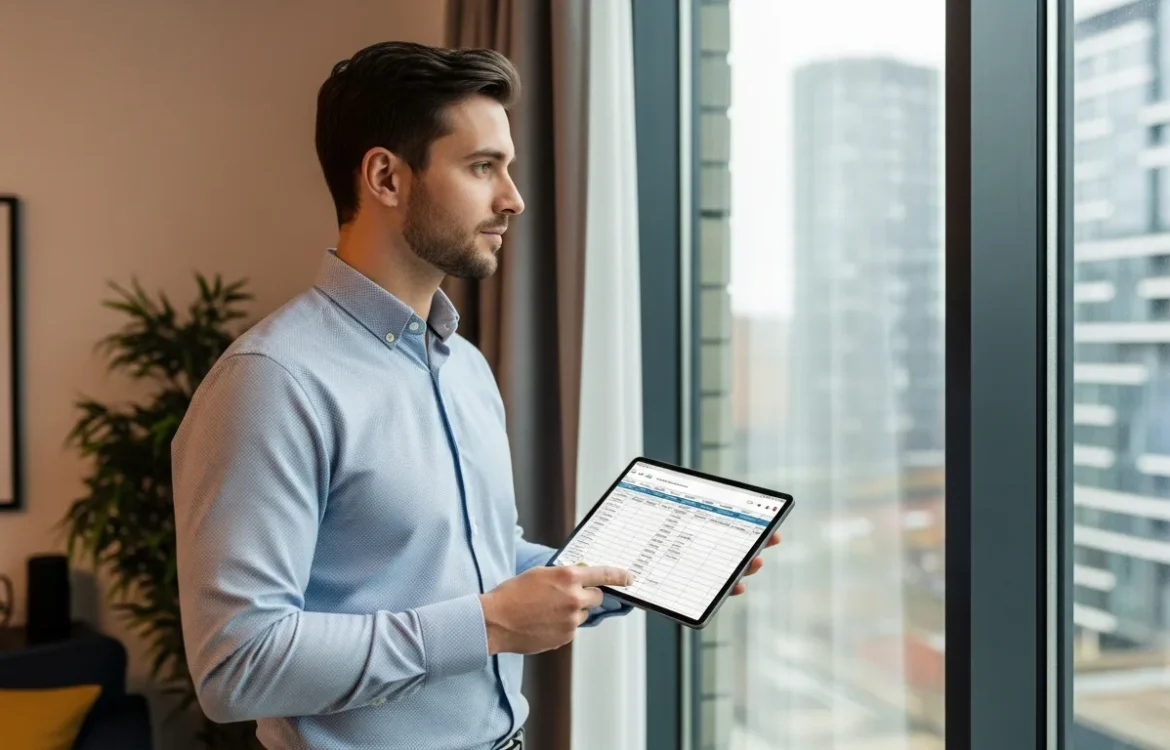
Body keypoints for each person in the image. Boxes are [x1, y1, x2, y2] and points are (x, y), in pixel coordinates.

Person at [171, 40, 778, 750]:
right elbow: (237, 665)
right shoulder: (272, 382)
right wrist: (488, 624)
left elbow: (472, 562)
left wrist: (630, 572)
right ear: (386, 177)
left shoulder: (464, 366)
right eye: (482, 167)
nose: (513, 198)